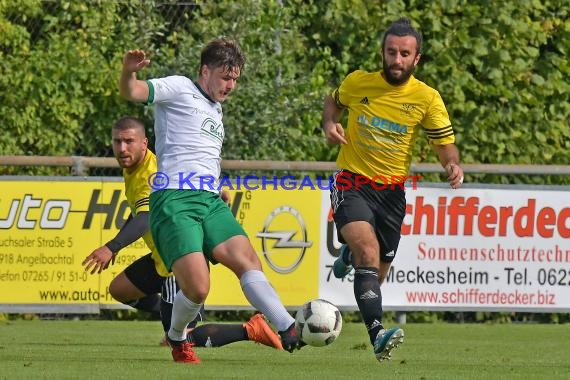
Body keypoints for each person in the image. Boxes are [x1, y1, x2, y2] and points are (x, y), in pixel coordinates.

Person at [119, 39, 300, 364]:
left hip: (209, 200)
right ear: (205, 71)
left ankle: (287, 326)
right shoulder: (179, 87)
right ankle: (177, 337)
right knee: (198, 288)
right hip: (174, 200)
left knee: (248, 262)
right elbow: (133, 93)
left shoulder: (216, 108)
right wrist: (129, 73)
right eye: (224, 77)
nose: (230, 85)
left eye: (235, 79)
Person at [321, 17, 464, 363]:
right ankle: (377, 335)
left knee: (377, 272)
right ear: (382, 53)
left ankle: (346, 256)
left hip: (391, 194)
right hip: (352, 181)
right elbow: (334, 102)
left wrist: (452, 164)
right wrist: (329, 122)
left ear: (417, 59)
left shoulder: (427, 99)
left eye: (404, 54)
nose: (396, 60)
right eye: (390, 52)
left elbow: (444, 143)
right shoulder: (359, 82)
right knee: (368, 254)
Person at [82, 117, 283, 354]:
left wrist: (112, 247)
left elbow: (145, 218)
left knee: (176, 340)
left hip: (176, 261)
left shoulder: (150, 174)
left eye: (129, 141)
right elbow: (142, 209)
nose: (123, 148)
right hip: (160, 257)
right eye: (118, 142)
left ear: (144, 143)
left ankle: (250, 329)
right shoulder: (136, 168)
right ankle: (173, 311)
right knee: (119, 290)